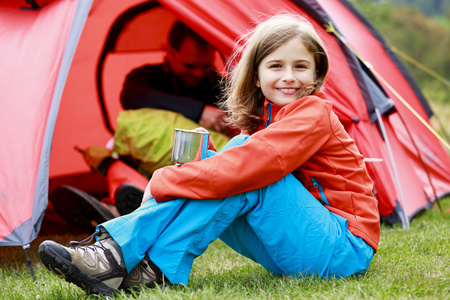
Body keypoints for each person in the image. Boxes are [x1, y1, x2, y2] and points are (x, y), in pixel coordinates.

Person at [39, 14, 380, 297]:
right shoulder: (268, 119)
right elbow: (243, 165)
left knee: (244, 167)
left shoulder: (313, 113)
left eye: (301, 67)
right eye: (276, 66)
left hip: (342, 249)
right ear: (257, 75)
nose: (289, 77)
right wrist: (202, 164)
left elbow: (253, 166)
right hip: (299, 245)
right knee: (234, 155)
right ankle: (149, 271)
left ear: (317, 75)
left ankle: (114, 253)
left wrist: (163, 180)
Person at [50, 21, 232, 227]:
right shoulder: (146, 76)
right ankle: (124, 202)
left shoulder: (218, 84)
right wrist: (198, 112)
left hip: (193, 169)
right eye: (189, 66)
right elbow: (132, 97)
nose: (198, 73)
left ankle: (120, 208)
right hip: (146, 164)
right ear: (170, 53)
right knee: (116, 152)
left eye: (204, 66)